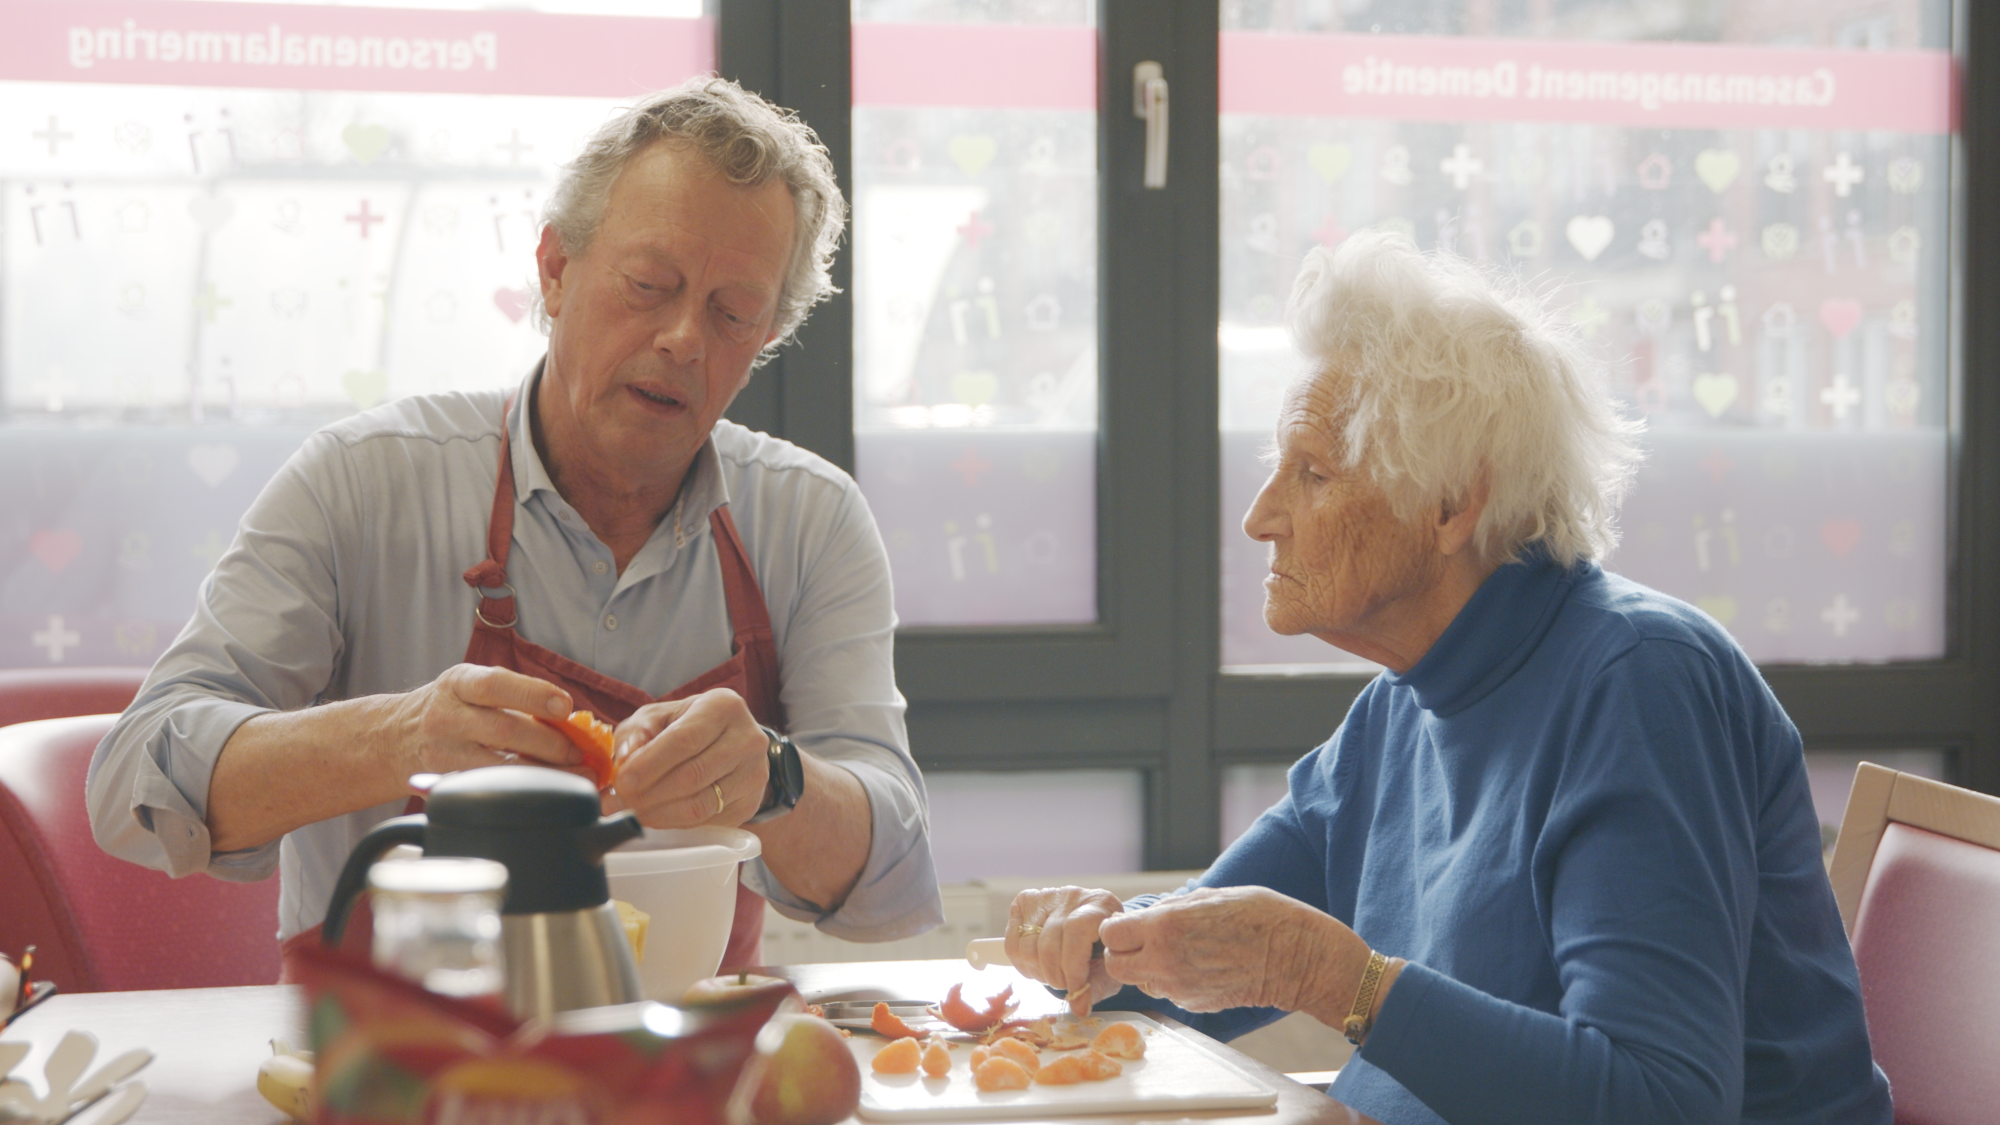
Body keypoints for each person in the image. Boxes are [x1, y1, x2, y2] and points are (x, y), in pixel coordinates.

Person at [1003, 232, 1891, 1125]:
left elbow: (1659, 1101)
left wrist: (1332, 977)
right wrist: (1092, 945)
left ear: (1449, 505)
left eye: (1312, 472)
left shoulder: (1640, 685)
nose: (1260, 515)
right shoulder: (1397, 710)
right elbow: (1201, 963)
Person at [88, 78, 942, 965]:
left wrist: (773, 777)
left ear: (766, 338)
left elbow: (890, 876)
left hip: (681, 1070)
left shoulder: (811, 519)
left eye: (733, 314)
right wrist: (399, 737)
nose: (685, 337)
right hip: (399, 1066)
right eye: (650, 284)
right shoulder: (365, 480)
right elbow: (132, 781)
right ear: (555, 270)